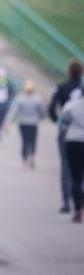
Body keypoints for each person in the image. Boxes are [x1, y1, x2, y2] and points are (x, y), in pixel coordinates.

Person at [48, 58, 83, 214]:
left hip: (67, 132)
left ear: (69, 71)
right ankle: (79, 199)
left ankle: (66, 201)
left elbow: (51, 108)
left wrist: (58, 124)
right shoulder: (81, 88)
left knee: (66, 167)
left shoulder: (61, 87)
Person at [4, 80, 45, 169]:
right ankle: (32, 157)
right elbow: (42, 111)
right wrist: (41, 117)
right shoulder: (37, 99)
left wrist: (7, 121)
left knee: (25, 142)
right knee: (33, 140)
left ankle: (24, 161)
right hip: (34, 123)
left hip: (23, 123)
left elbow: (13, 110)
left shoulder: (20, 99)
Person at [60, 95, 84, 223]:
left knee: (76, 177)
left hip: (73, 141)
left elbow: (62, 122)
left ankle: (78, 210)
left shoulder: (72, 105)